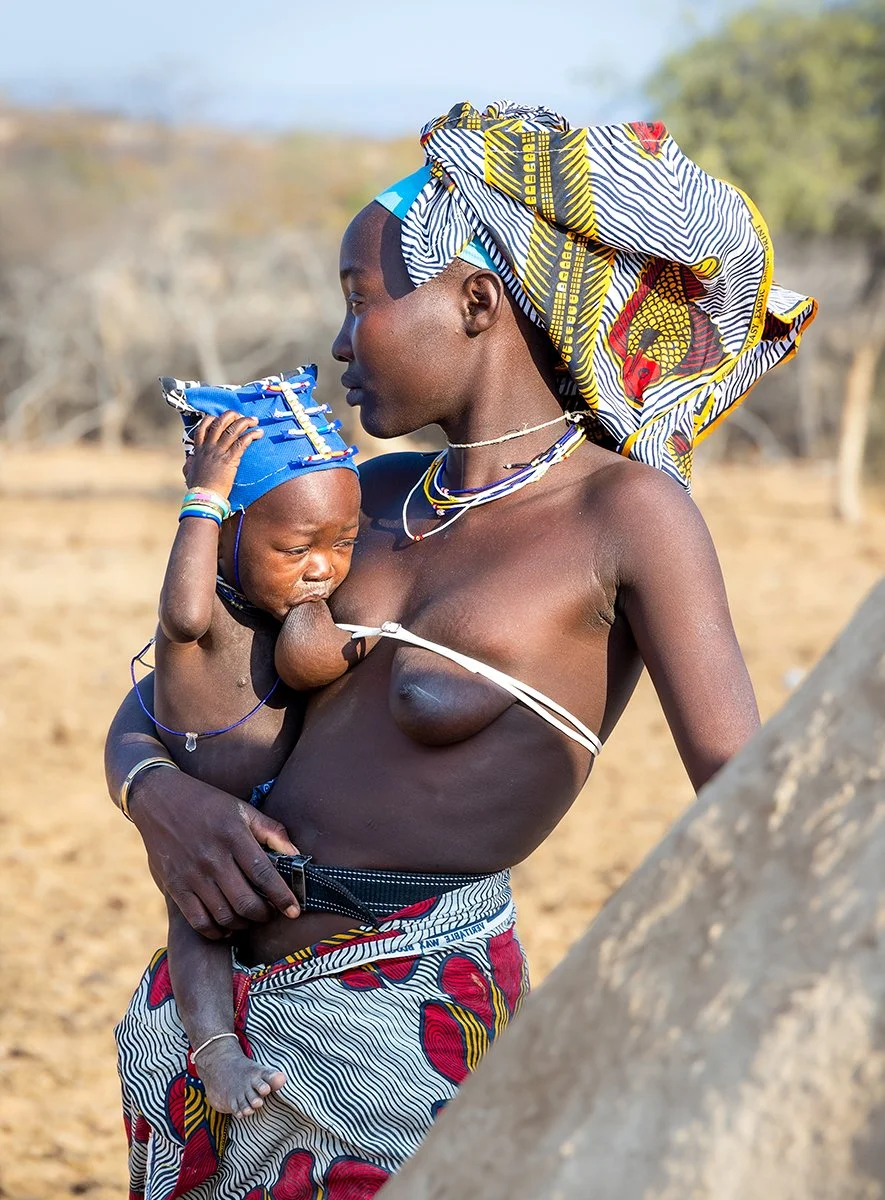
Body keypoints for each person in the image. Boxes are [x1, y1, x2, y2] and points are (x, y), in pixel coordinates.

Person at [107, 102, 817, 1199]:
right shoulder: (367, 502)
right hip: (211, 1019)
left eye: (361, 301)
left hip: (408, 1033)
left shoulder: (627, 516)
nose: (340, 342)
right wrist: (160, 797)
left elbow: (744, 792)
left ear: (476, 300)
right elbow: (178, 675)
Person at [129, 366, 363, 1122]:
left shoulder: (287, 605)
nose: (323, 567)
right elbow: (184, 610)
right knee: (198, 924)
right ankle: (217, 1051)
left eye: (345, 542)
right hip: (210, 820)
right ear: (226, 533)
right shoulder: (204, 627)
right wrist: (203, 496)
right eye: (296, 548)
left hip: (279, 843)